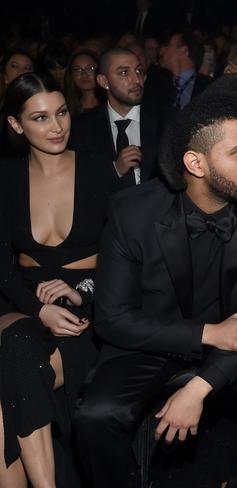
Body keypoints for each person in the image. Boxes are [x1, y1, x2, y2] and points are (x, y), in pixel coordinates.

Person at [74, 77, 237, 488]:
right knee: (95, 416)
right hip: (155, 342)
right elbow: (112, 319)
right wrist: (209, 333)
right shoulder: (131, 214)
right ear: (196, 164)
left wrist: (199, 387)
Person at [0, 73, 116, 488]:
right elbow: (2, 268)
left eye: (62, 113)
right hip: (21, 302)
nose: (56, 127)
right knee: (16, 345)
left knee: (7, 384)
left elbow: (128, 261)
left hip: (85, 307)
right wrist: (38, 307)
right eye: (40, 117)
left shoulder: (100, 170)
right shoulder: (6, 177)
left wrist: (81, 295)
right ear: (16, 125)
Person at [69, 48, 159, 189]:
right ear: (104, 81)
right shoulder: (81, 128)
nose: (136, 80)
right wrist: (115, 170)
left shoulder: (165, 120)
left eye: (139, 71)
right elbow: (80, 183)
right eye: (124, 73)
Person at [64, 50, 103, 116]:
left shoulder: (111, 104)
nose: (84, 75)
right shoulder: (66, 107)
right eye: (77, 70)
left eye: (90, 69)